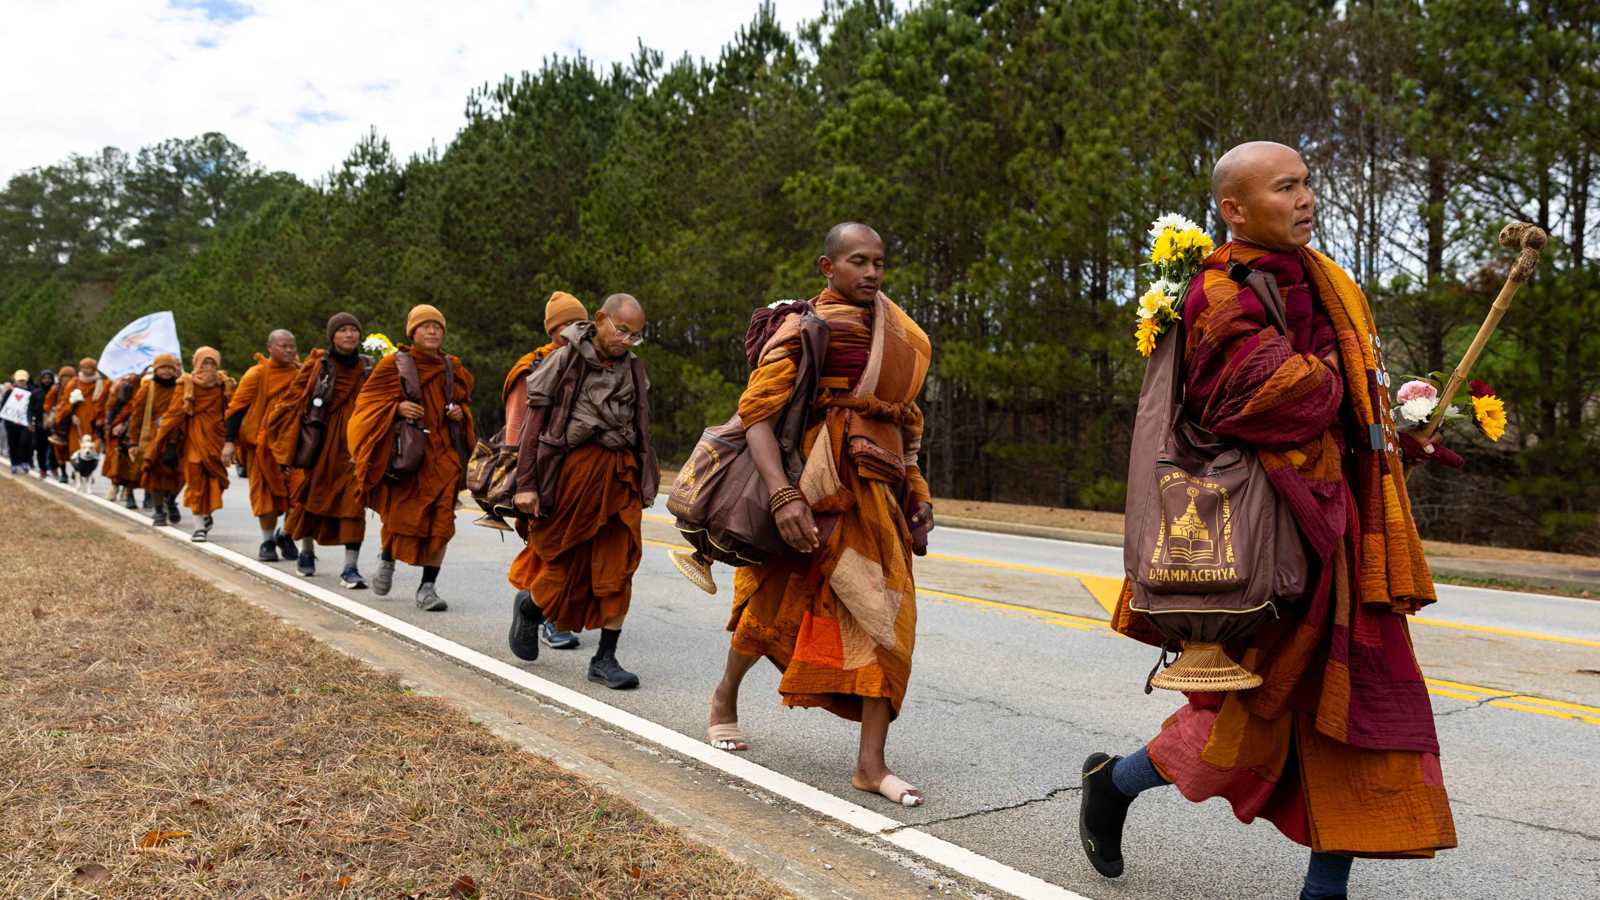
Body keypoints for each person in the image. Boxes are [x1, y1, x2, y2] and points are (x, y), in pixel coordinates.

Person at [1081, 142, 1457, 900]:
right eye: (1286, 187)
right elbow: (1255, 395)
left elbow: (1336, 397)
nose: (1306, 198)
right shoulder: (1218, 290)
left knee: (1352, 712)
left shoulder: (1326, 280)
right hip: (1271, 539)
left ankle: (1324, 892)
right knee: (1238, 726)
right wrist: (1352, 388)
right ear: (1236, 209)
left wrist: (1390, 426)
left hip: (1341, 535)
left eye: (1308, 183)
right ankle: (1113, 786)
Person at [704, 223, 934, 808]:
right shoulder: (805, 327)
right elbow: (757, 415)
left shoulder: (899, 333)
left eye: (879, 262)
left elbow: (907, 425)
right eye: (859, 261)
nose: (872, 272)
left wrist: (918, 493)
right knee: (772, 604)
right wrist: (783, 496)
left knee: (887, 621)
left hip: (878, 499)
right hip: (811, 490)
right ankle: (725, 695)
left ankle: (870, 765)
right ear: (827, 267)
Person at [511, 293, 659, 689]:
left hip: (620, 477)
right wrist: (526, 485)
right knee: (563, 569)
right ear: (600, 319)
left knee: (620, 569)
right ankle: (530, 607)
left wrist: (646, 477)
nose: (627, 340)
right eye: (622, 330)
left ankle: (605, 658)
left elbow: (642, 428)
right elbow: (533, 426)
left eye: (635, 335)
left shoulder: (633, 369)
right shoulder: (565, 360)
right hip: (573, 476)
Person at [347, 304, 474, 610]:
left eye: (437, 327)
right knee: (400, 517)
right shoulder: (393, 364)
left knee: (442, 523)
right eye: (425, 326)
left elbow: (463, 401)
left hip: (443, 456)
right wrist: (396, 408)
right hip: (409, 456)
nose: (432, 331)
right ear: (412, 332)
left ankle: (428, 588)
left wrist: (460, 413)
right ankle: (388, 557)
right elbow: (366, 406)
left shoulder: (451, 366)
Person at [504, 291, 589, 655]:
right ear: (552, 330)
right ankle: (547, 614)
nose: (572, 331)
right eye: (564, 324)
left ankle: (549, 610)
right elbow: (516, 428)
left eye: (578, 323)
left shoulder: (592, 361)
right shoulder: (533, 365)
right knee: (552, 548)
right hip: (544, 473)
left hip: (583, 472)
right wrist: (523, 482)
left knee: (580, 547)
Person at [265, 313, 372, 586]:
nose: (349, 335)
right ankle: (306, 551)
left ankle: (350, 568)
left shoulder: (367, 367)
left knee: (354, 505)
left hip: (355, 448)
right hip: (321, 446)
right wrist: (286, 439)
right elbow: (294, 401)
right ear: (332, 336)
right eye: (342, 330)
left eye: (353, 330)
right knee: (312, 500)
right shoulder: (317, 365)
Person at [225, 329, 304, 565]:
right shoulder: (257, 374)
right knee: (265, 498)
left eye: (292, 346)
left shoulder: (301, 374)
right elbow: (237, 409)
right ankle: (268, 541)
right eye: (283, 346)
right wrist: (229, 442)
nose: (289, 350)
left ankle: (286, 534)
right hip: (262, 447)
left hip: (295, 445)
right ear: (270, 348)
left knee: (301, 496)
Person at [154, 347, 233, 542]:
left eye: (212, 362)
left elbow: (233, 411)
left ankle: (207, 514)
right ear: (196, 363)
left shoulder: (225, 384)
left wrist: (232, 440)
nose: (208, 366)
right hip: (194, 439)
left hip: (217, 439)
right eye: (204, 362)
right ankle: (199, 526)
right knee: (195, 479)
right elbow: (174, 413)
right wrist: (162, 439)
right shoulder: (186, 384)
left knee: (218, 481)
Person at [126, 354, 185, 526]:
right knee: (154, 474)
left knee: (181, 473)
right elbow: (136, 416)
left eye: (170, 368)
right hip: (153, 438)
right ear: (156, 369)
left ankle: (171, 500)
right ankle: (159, 510)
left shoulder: (181, 388)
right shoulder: (147, 389)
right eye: (163, 368)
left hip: (178, 436)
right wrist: (133, 442)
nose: (166, 371)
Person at [101, 372, 143, 507]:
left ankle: (129, 491)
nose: (127, 386)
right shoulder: (117, 393)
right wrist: (111, 427)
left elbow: (138, 413)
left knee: (132, 463)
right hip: (117, 434)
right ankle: (114, 486)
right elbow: (110, 412)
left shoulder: (142, 393)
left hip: (135, 432)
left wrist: (125, 425)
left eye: (131, 384)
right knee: (116, 459)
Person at [43, 364, 75, 481]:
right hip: (59, 424)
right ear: (60, 378)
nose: (67, 379)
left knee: (75, 448)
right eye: (64, 377)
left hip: (73, 422)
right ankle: (63, 473)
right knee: (59, 449)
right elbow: (47, 404)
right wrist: (51, 414)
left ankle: (77, 470)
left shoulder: (77, 388)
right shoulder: (55, 389)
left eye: (70, 377)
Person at [28, 367, 58, 479]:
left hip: (53, 424)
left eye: (49, 378)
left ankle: (54, 468)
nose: (47, 380)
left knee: (54, 448)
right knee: (40, 448)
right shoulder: (36, 392)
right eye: (44, 378)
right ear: (41, 379)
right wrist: (30, 422)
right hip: (39, 424)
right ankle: (42, 469)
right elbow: (30, 409)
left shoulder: (56, 391)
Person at [4, 370, 32, 473]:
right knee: (12, 442)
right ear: (15, 381)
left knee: (24, 441)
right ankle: (14, 463)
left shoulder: (31, 392)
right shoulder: (9, 392)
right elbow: (4, 406)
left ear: (26, 380)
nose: (21, 382)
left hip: (24, 422)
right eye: (19, 380)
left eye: (23, 380)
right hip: (11, 422)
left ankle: (24, 461)